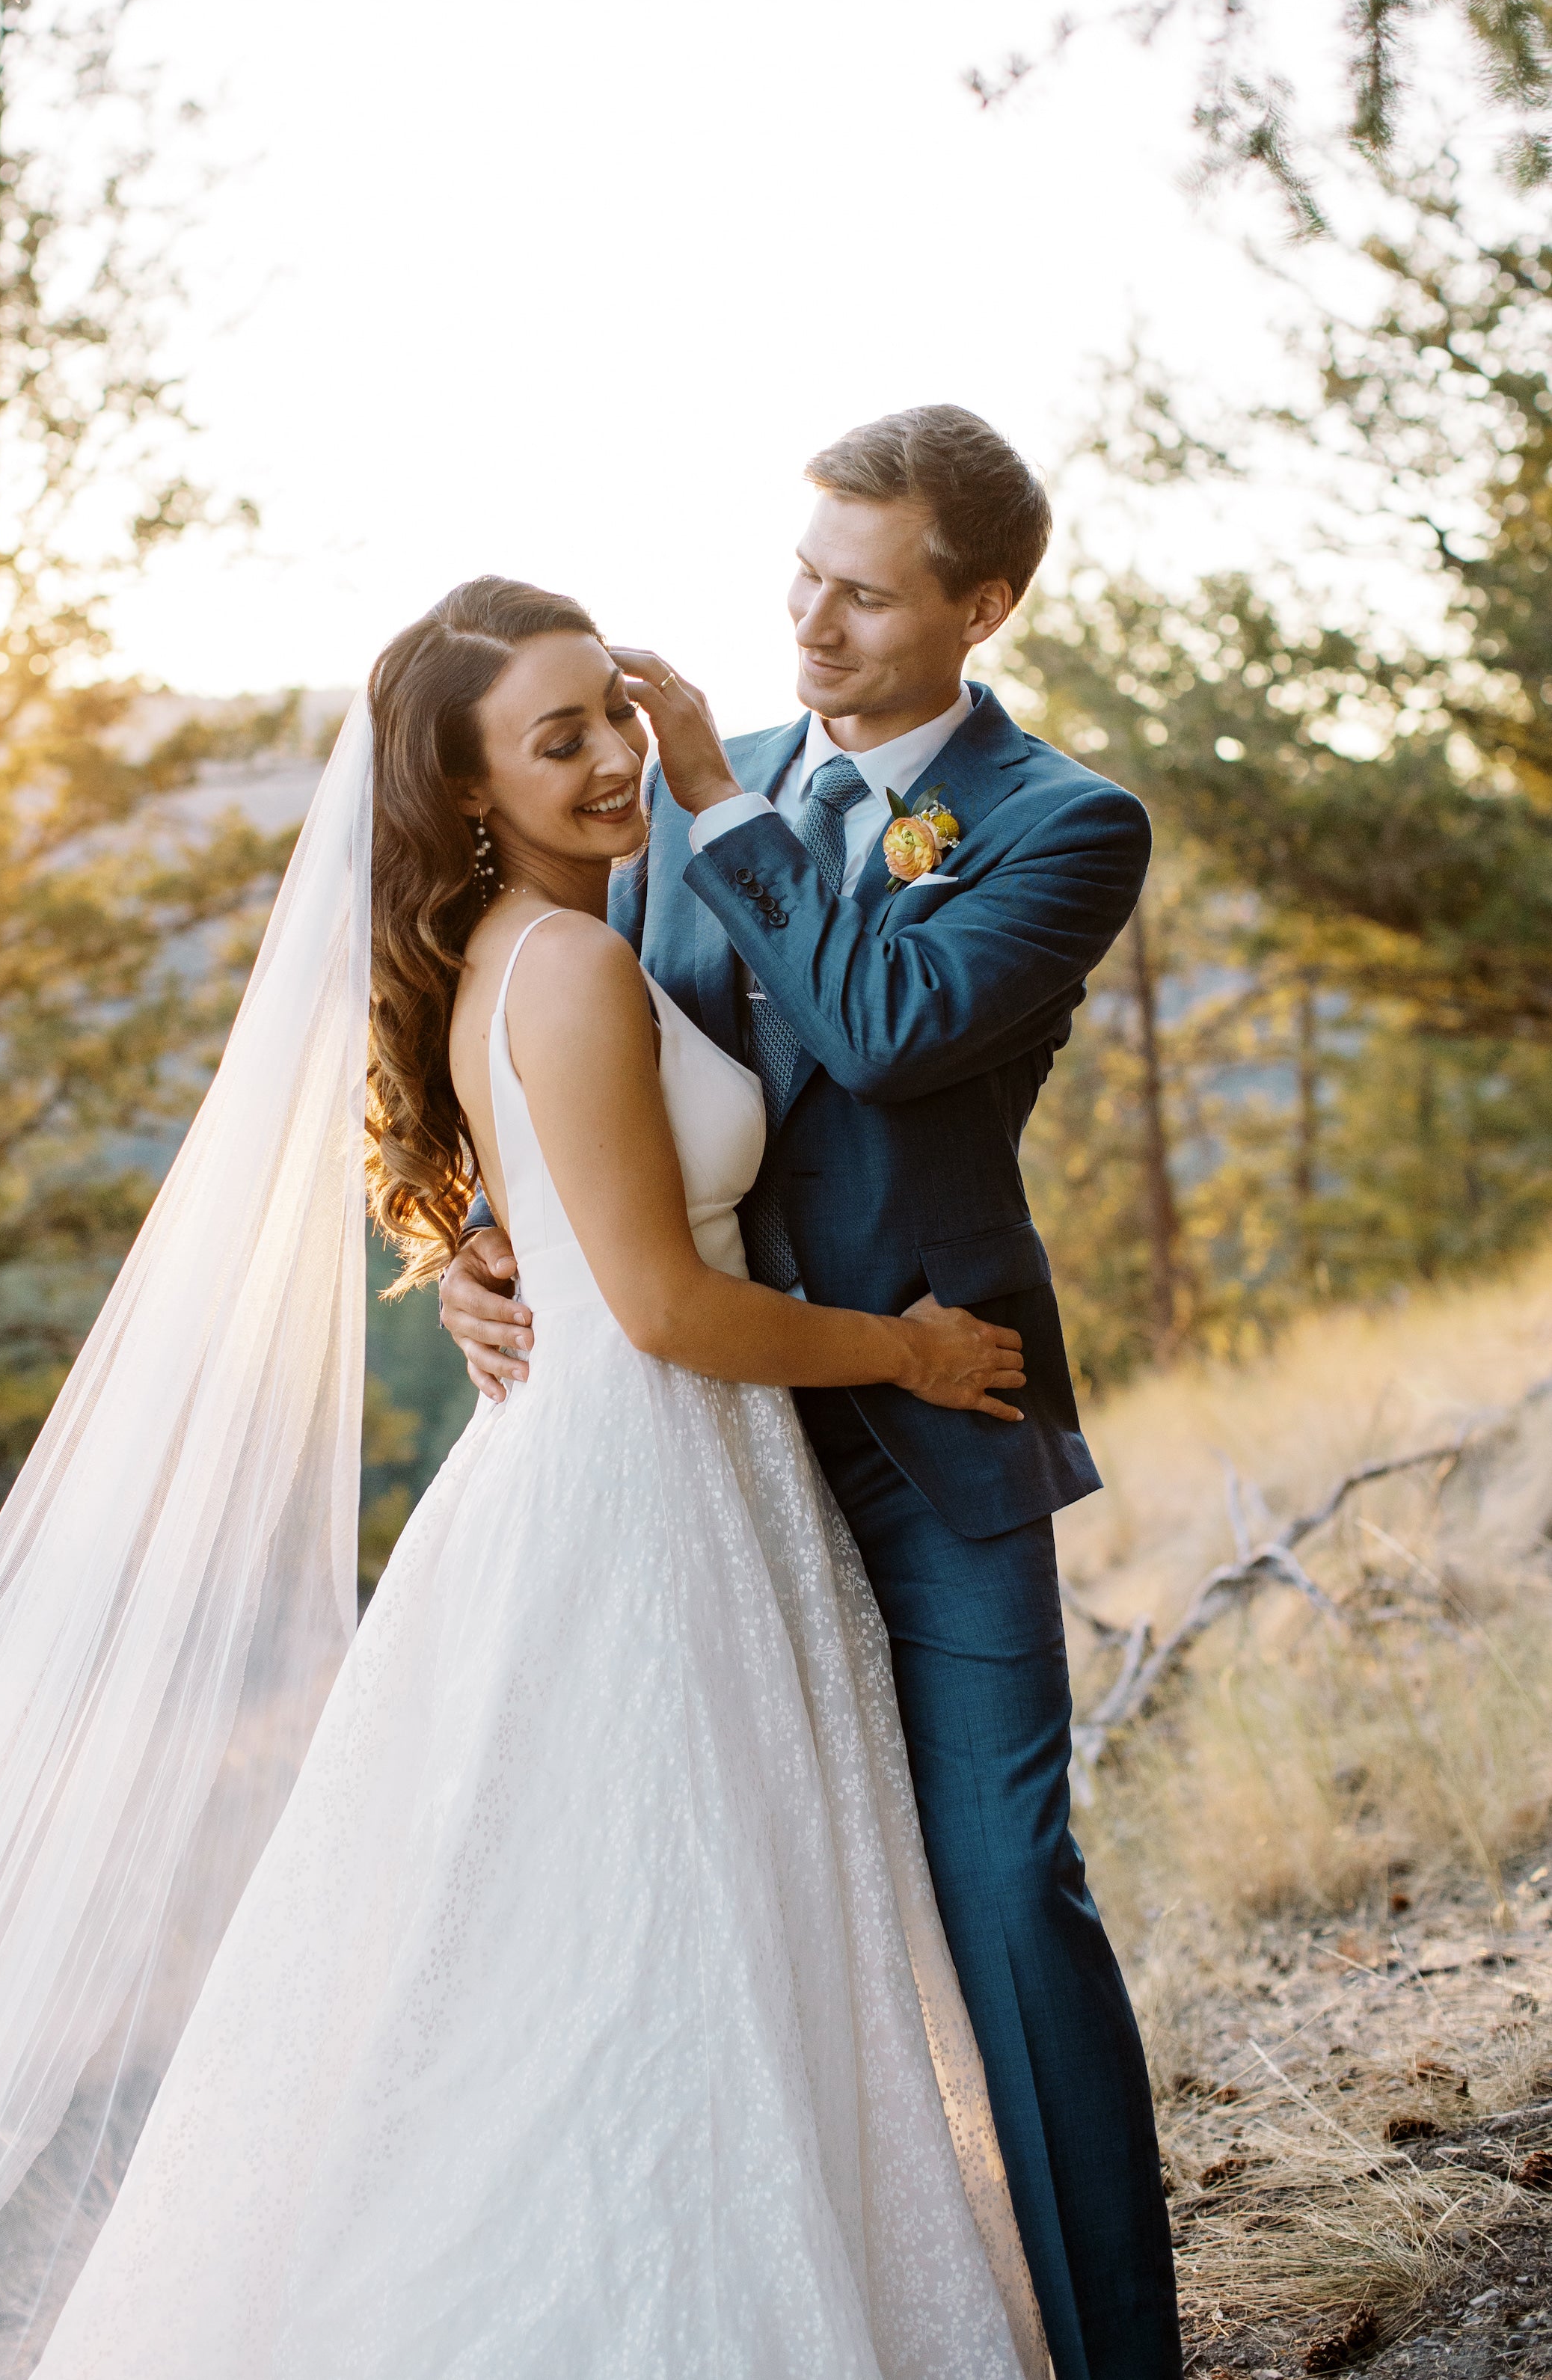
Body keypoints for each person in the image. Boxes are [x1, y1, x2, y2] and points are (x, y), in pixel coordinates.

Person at [0, 577, 1046, 2380]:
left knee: (631, 1956)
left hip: (647, 1492)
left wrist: (504, 1239)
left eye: (607, 713)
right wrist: (910, 1351)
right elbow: (654, 1304)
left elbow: (582, 1223)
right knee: (649, 1964)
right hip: (638, 1494)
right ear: (467, 790)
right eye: (548, 739)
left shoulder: (556, 934)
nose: (603, 758)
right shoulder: (558, 961)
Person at [439, 408, 1183, 2380]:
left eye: (863, 591)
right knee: (705, 1905)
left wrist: (724, 805)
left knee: (1008, 1888)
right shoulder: (681, 795)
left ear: (979, 605)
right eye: (800, 574)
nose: (810, 621)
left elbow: (887, 1021)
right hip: (696, 1448)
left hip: (935, 1428)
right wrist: (460, 1235)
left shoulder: (1055, 819)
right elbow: (541, 1033)